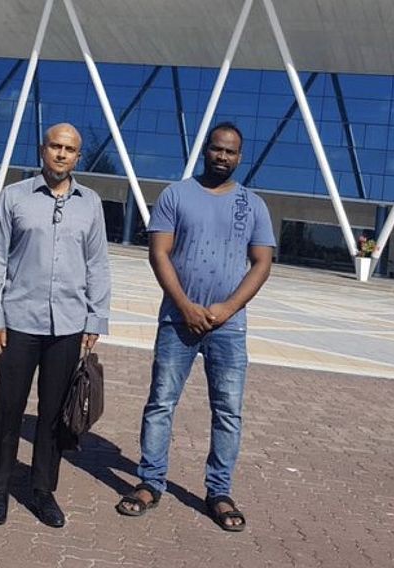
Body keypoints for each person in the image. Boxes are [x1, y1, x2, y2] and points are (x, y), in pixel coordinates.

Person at [116, 122, 275, 532]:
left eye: (231, 152)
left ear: (240, 157)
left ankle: (219, 491)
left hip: (229, 327)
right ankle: (150, 482)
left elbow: (262, 263)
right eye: (217, 149)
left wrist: (227, 308)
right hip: (177, 321)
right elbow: (159, 253)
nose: (223, 156)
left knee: (228, 411)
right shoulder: (176, 195)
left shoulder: (253, 205)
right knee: (161, 403)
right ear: (205, 150)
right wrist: (185, 306)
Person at [0, 123, 111, 527]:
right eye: (55, 146)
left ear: (78, 156)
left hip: (68, 325)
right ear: (43, 149)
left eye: (69, 149)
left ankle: (42, 490)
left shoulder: (90, 203)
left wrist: (95, 317)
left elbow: (97, 263)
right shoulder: (14, 197)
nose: (61, 154)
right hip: (17, 321)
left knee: (54, 412)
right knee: (8, 408)